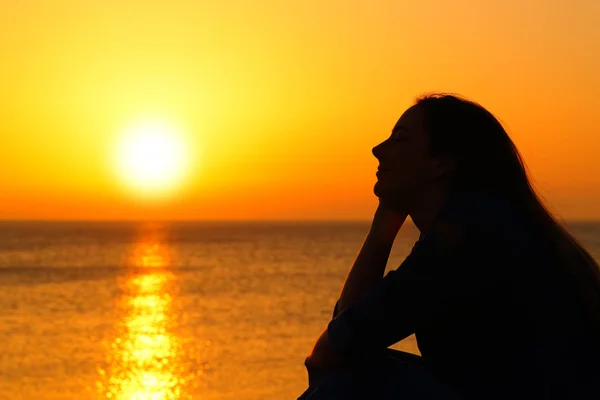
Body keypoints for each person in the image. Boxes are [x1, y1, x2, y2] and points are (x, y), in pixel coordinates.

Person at [297, 93, 600, 399]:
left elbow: (338, 344)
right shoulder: (479, 221)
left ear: (440, 162)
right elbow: (349, 331)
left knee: (347, 384)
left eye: (399, 139)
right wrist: (386, 219)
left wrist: (338, 352)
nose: (378, 150)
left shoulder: (469, 232)